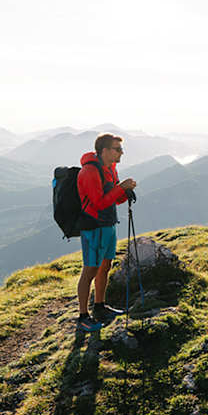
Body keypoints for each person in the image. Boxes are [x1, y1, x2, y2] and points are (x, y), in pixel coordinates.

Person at [75, 133, 137, 332]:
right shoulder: (90, 172)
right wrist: (121, 188)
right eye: (117, 149)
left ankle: (100, 307)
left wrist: (125, 192)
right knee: (90, 270)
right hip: (93, 227)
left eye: (121, 149)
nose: (121, 152)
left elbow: (112, 198)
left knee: (105, 266)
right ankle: (83, 316)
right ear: (104, 150)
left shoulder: (110, 168)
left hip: (108, 224)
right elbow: (98, 203)